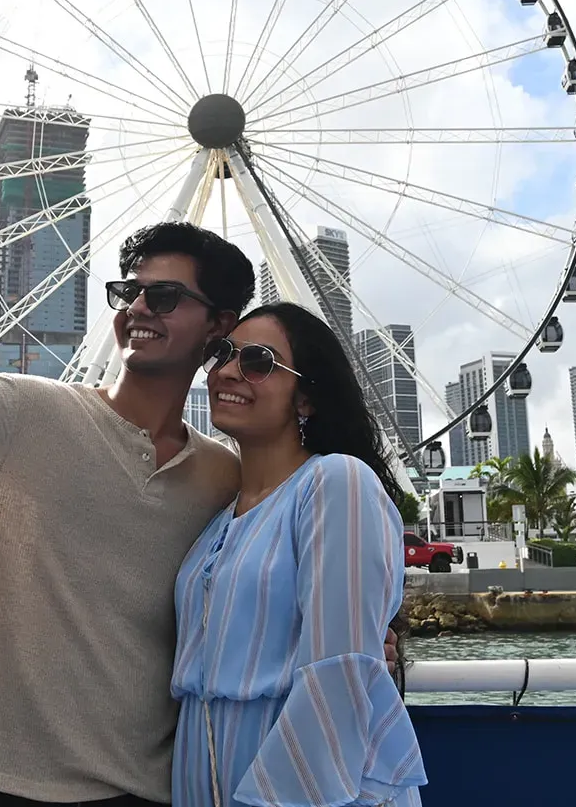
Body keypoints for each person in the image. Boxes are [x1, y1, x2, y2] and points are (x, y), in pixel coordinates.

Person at [0, 145, 396, 807]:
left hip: (139, 791)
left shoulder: (224, 480)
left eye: (165, 296)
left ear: (217, 326)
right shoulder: (27, 412)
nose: (138, 306)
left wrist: (369, 634)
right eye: (128, 291)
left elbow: (291, 591)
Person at [172, 304, 427, 807]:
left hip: (305, 787)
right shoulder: (218, 521)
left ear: (306, 398)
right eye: (222, 353)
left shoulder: (337, 483)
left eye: (258, 361)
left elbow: (338, 672)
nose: (226, 370)